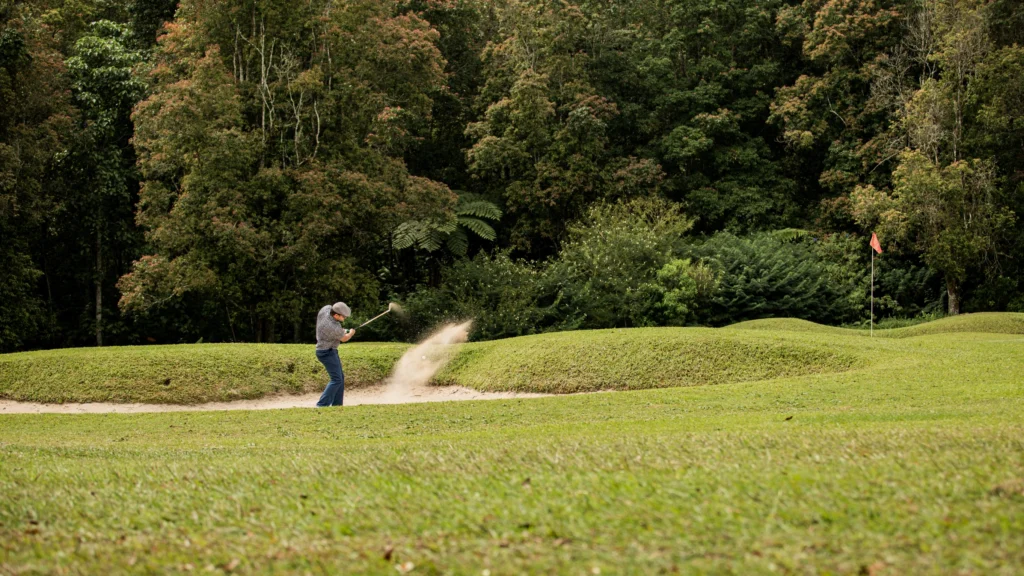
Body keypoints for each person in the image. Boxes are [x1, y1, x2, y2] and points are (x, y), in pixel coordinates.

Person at [315, 302, 355, 407]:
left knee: (340, 377)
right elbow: (344, 338)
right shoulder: (333, 327)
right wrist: (350, 333)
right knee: (336, 379)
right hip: (326, 352)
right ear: (336, 315)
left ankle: (337, 405)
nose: (345, 318)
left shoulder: (326, 309)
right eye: (344, 316)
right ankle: (322, 405)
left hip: (328, 350)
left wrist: (342, 330)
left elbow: (338, 331)